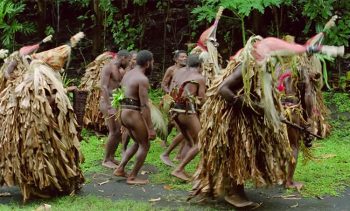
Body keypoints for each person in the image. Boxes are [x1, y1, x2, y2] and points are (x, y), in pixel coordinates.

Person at [113, 50, 156, 185]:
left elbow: (121, 93)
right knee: (145, 144)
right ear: (148, 63)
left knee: (137, 142)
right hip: (133, 112)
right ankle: (132, 177)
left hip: (124, 112)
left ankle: (120, 169)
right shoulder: (142, 79)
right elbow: (144, 105)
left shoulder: (128, 74)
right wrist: (150, 128)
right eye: (153, 61)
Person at [167, 54, 206, 181]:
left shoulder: (178, 72)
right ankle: (179, 169)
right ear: (200, 65)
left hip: (174, 110)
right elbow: (202, 99)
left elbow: (172, 90)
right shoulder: (199, 77)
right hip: (187, 112)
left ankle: (181, 169)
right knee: (200, 142)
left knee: (189, 141)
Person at [99, 49, 131, 169]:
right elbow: (103, 86)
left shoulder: (121, 70)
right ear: (122, 58)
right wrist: (109, 106)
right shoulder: (108, 67)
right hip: (107, 103)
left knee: (118, 132)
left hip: (116, 101)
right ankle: (106, 159)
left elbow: (122, 85)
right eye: (128, 60)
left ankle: (111, 157)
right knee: (114, 131)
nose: (128, 63)